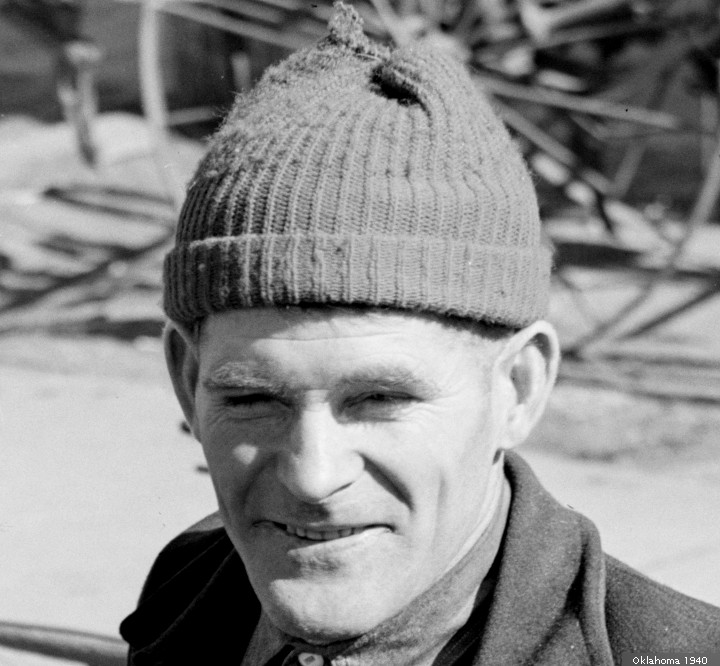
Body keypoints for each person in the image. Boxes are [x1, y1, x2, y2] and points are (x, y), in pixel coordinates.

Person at [119, 3, 720, 664]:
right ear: (187, 383)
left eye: (380, 400)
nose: (314, 477)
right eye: (251, 399)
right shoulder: (190, 587)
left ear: (519, 390)